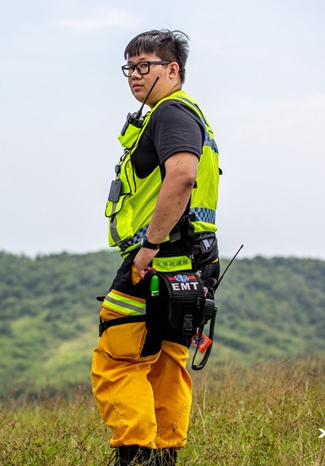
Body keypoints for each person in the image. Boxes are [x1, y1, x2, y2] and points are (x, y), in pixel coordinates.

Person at [91, 29, 221, 466]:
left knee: (118, 360)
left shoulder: (171, 113)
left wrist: (148, 246)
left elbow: (182, 176)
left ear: (173, 69)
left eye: (145, 66)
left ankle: (136, 455)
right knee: (167, 361)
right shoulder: (189, 113)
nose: (135, 75)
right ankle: (164, 456)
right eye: (129, 67)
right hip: (192, 262)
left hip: (156, 260)